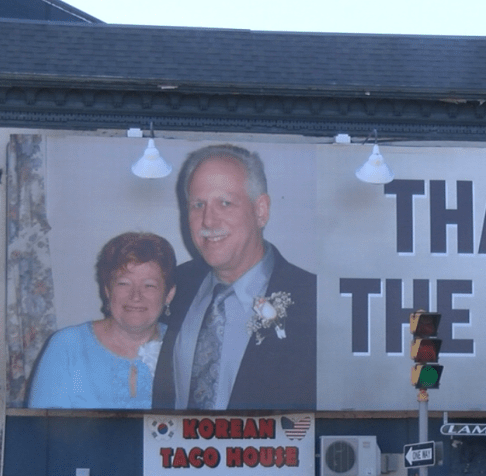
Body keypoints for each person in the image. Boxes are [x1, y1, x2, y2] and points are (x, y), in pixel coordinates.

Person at [152, 144, 316, 410]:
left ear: (260, 210)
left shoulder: (314, 301)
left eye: (225, 203)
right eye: (198, 205)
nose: (208, 221)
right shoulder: (172, 285)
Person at [28, 232, 177, 409]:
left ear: (169, 294)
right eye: (124, 283)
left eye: (149, 285)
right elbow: (42, 432)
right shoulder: (67, 347)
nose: (135, 296)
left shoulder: (182, 347)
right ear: (107, 290)